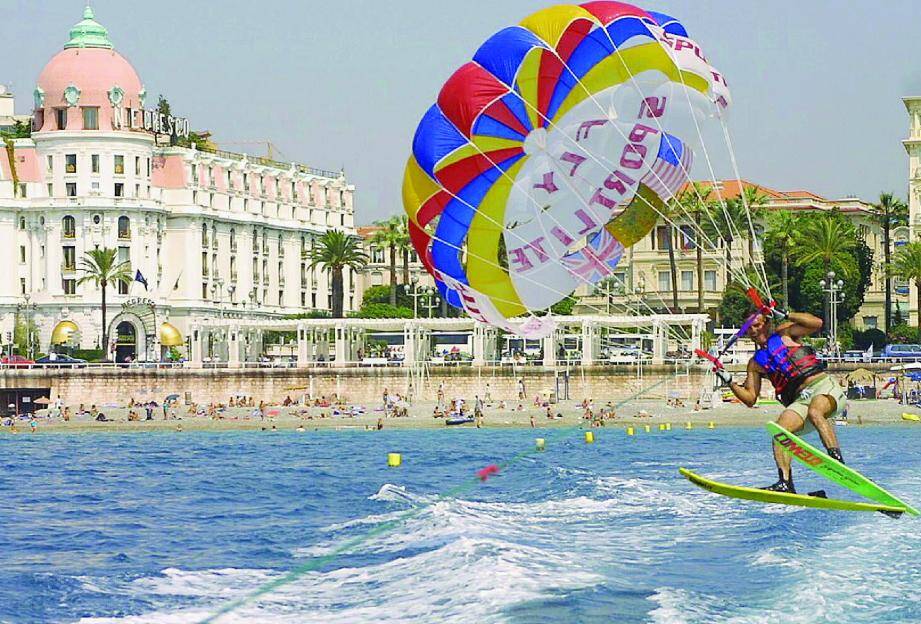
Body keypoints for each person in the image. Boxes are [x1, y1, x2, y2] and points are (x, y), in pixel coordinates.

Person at [717, 305, 846, 493]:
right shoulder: (755, 363)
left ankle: (836, 459)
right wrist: (729, 381)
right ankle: (786, 483)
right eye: (749, 328)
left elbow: (817, 323)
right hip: (801, 399)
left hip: (824, 387)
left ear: (766, 323)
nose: (754, 331)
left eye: (757, 325)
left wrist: (787, 314)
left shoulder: (785, 333)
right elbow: (750, 398)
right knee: (779, 431)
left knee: (816, 411)